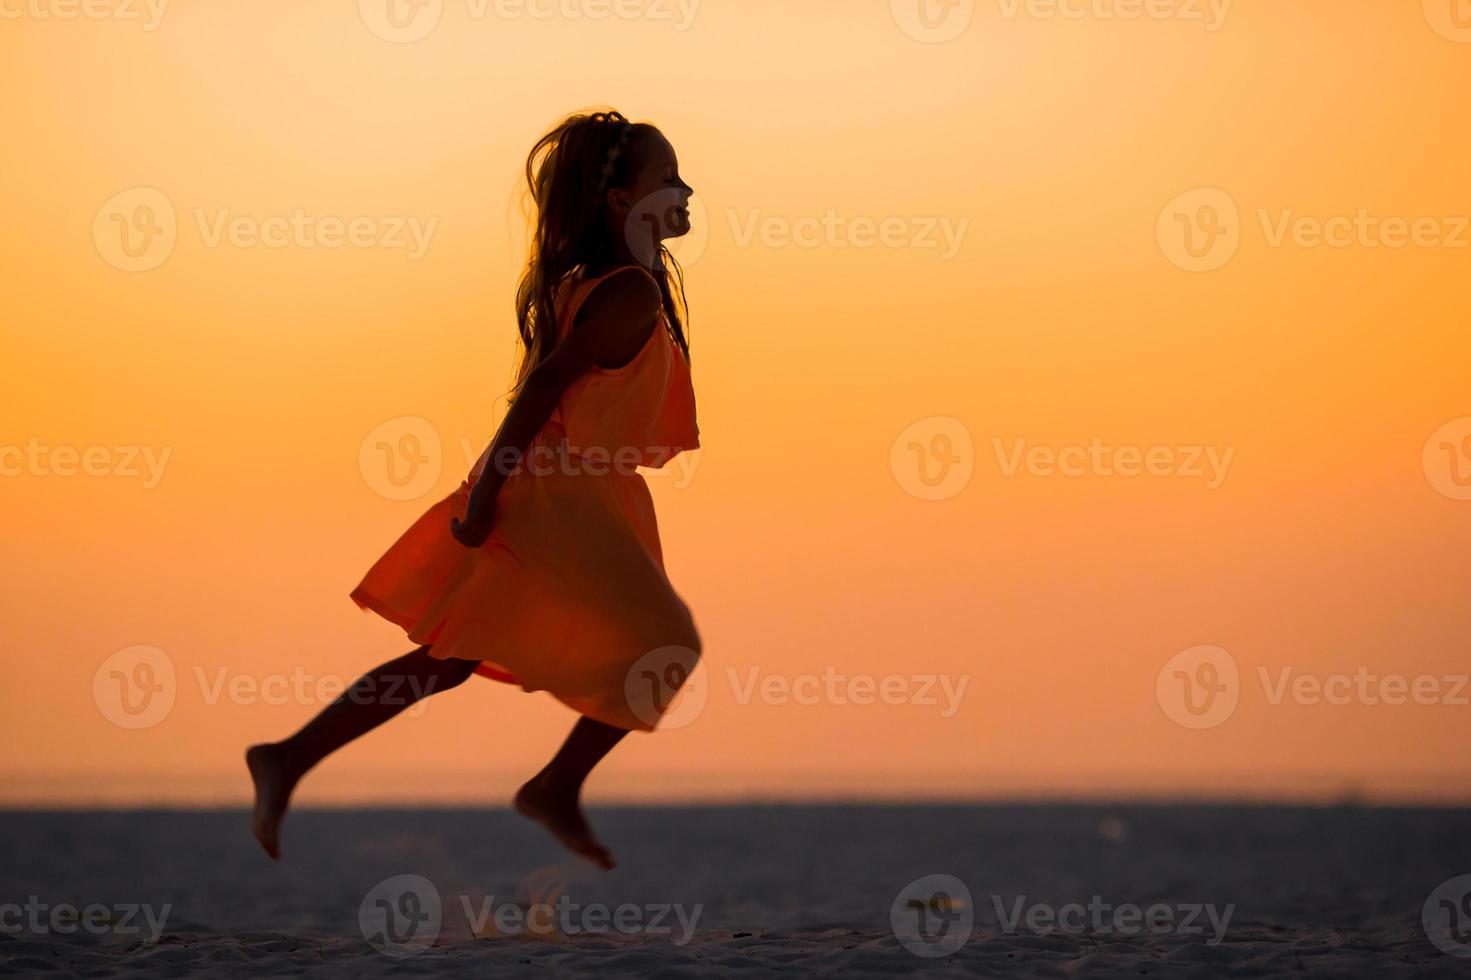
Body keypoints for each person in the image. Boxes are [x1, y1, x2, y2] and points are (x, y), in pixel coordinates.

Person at [246, 109, 702, 871]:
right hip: (558, 495)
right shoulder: (626, 292)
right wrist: (487, 492)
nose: (685, 188)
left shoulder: (599, 282)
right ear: (622, 202)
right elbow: (541, 389)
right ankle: (555, 786)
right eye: (666, 178)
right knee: (667, 644)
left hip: (567, 489)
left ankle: (288, 758)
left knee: (450, 656)